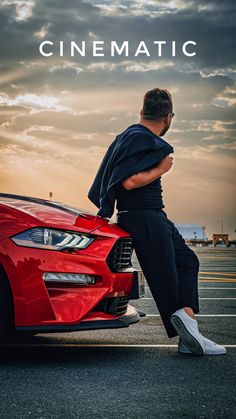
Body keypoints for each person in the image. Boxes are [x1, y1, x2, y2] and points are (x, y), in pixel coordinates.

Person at [88, 88, 226, 356]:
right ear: (169, 117)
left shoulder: (129, 136)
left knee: (187, 262)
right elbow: (128, 182)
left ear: (142, 111)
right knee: (166, 280)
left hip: (151, 216)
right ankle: (190, 339)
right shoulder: (141, 139)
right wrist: (161, 169)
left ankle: (190, 332)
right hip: (145, 216)